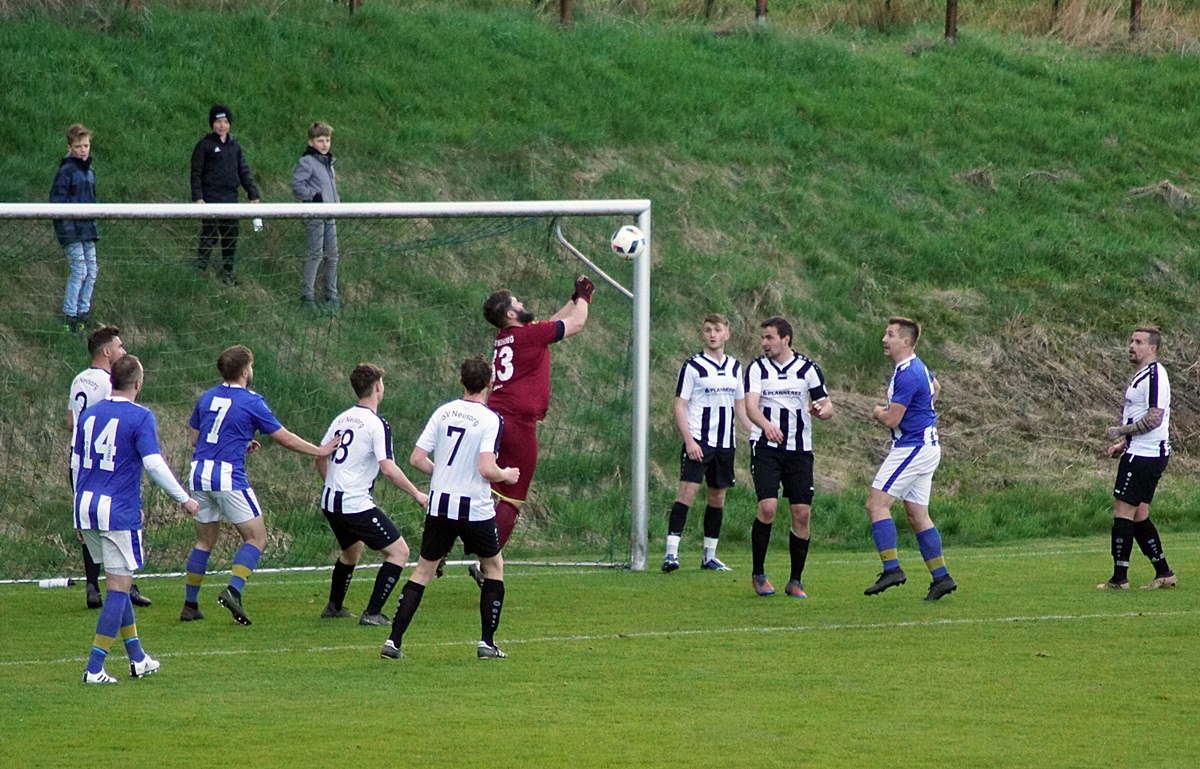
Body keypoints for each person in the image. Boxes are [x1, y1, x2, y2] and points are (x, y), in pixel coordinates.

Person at [181, 345, 336, 626]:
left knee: (204, 541)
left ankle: (190, 605)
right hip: (227, 476)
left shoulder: (207, 397)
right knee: (257, 538)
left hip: (199, 473)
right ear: (244, 371)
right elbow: (284, 437)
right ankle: (234, 591)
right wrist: (319, 450)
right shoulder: (252, 401)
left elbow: (196, 439)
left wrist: (239, 441)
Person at [380, 356, 519, 661]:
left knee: (423, 570)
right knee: (494, 568)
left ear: (461, 381)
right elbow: (486, 468)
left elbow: (417, 458)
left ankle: (393, 641)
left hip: (440, 504)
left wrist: (443, 473)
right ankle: (487, 643)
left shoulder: (443, 412)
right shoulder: (490, 419)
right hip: (474, 507)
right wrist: (506, 475)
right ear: (490, 383)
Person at [73, 355, 200, 683]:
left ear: (112, 380)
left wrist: (77, 510)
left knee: (120, 579)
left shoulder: (89, 415)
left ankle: (138, 658)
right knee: (118, 588)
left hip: (85, 505)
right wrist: (183, 498)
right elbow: (155, 464)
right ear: (138, 384)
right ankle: (94, 667)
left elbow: (76, 462)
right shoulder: (141, 416)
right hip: (117, 510)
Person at [478, 275, 591, 571]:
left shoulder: (507, 336)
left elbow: (551, 325)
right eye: (518, 302)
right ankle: (486, 562)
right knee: (512, 498)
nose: (523, 303)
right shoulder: (529, 335)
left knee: (481, 488)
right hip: (517, 422)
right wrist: (586, 297)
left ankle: (439, 550)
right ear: (511, 314)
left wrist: (573, 297)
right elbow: (577, 324)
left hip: (495, 417)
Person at [315, 363, 428, 624]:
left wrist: (332, 482)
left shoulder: (342, 418)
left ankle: (334, 606)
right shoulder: (376, 424)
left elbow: (321, 456)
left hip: (331, 501)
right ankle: (373, 613)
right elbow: (388, 469)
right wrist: (416, 493)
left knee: (351, 552)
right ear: (378, 387)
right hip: (354, 503)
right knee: (399, 552)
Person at [863, 317, 956, 602]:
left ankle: (892, 568)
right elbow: (936, 388)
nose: (884, 339)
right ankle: (941, 578)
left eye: (890, 334)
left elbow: (891, 417)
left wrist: (878, 412)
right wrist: (923, 414)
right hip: (925, 446)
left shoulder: (908, 373)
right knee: (917, 515)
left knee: (876, 505)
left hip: (912, 447)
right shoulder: (917, 366)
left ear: (906, 341)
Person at [743, 317, 833, 599]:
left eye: (769, 337)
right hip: (766, 447)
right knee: (768, 507)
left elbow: (827, 405)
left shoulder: (807, 368)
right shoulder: (757, 368)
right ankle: (758, 574)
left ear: (786, 339)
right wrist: (766, 426)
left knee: (801, 514)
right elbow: (750, 406)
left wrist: (821, 411)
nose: (764, 343)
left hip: (799, 450)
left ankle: (796, 580)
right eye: (763, 338)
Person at [68, 326, 152, 610]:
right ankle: (125, 587)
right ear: (106, 352)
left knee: (90, 520)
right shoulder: (109, 383)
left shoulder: (78, 379)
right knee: (112, 523)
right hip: (106, 461)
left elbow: (71, 421)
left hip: (79, 459)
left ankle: (93, 586)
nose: (123, 351)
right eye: (118, 347)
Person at [662, 313, 748, 573]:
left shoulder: (735, 367)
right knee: (686, 493)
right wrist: (689, 441)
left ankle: (709, 556)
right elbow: (680, 405)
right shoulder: (693, 366)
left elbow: (741, 407)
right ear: (703, 334)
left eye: (717, 329)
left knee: (717, 497)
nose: (712, 334)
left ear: (726, 335)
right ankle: (671, 554)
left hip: (725, 444)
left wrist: (757, 431)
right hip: (699, 440)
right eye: (708, 329)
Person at [1098, 326, 1177, 590]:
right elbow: (1141, 416)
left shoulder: (1156, 375)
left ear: (1152, 348)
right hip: (1141, 450)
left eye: (1139, 342)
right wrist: (1124, 443)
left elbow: (1155, 417)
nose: (1132, 345)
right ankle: (1164, 573)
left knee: (1122, 511)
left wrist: (1120, 431)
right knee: (1139, 514)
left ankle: (1119, 579)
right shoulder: (1143, 374)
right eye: (1131, 340)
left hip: (1145, 455)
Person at [190, 104, 261, 285]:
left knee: (230, 237)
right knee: (210, 236)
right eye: (218, 122)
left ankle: (227, 272)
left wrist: (253, 193)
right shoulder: (204, 146)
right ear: (212, 124)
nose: (222, 126)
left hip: (231, 200)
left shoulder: (235, 146)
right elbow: (196, 173)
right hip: (211, 200)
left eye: (226, 122)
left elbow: (243, 171)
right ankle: (199, 271)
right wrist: (198, 198)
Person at [51, 123, 100, 333]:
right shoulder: (66, 171)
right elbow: (57, 203)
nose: (83, 150)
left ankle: (83, 313)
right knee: (79, 269)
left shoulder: (90, 172)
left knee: (92, 270)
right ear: (70, 147)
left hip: (87, 229)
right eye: (79, 146)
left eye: (86, 145)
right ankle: (69, 315)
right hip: (71, 230)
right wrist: (67, 229)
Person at [291, 121, 340, 310]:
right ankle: (307, 296)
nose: (325, 144)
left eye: (327, 140)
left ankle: (331, 295)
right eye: (320, 140)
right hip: (315, 213)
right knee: (316, 254)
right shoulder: (307, 162)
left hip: (331, 214)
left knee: (333, 254)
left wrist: (337, 204)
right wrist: (314, 197)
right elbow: (297, 185)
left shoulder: (329, 163)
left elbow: (331, 188)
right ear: (311, 142)